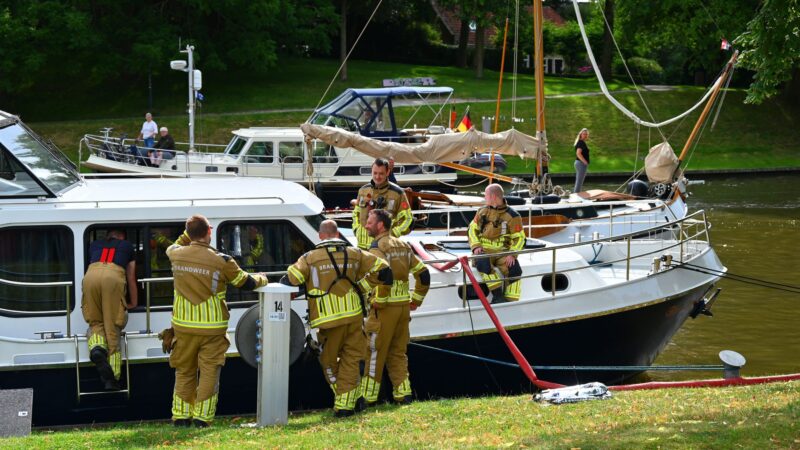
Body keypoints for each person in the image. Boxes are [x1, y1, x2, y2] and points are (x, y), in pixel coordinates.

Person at [281, 220, 392, 418]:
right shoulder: (355, 253)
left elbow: (289, 280)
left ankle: (344, 405)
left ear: (321, 235)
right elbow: (385, 271)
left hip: (327, 319)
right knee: (351, 359)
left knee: (327, 361)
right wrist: (362, 287)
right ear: (338, 233)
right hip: (354, 315)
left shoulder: (309, 258)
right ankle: (350, 401)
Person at [166, 215, 268, 427]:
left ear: (189, 233)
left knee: (184, 371)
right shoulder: (222, 261)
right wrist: (262, 278)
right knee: (209, 372)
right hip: (212, 327)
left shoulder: (176, 254)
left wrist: (190, 231)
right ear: (209, 233)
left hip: (183, 325)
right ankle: (203, 419)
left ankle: (181, 417)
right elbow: (245, 282)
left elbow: (177, 242)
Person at [362, 209, 429, 405]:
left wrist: (378, 299)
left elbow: (383, 275)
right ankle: (403, 395)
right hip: (402, 310)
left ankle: (368, 398)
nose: (366, 225)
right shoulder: (403, 246)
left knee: (374, 353)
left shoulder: (378, 247)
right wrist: (416, 299)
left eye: (370, 222)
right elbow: (424, 275)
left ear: (380, 225)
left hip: (383, 311)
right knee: (398, 354)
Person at [82, 229, 138, 390]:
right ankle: (112, 378)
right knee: (112, 325)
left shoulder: (94, 245)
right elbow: (131, 276)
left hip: (90, 277)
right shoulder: (127, 246)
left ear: (108, 236)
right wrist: (132, 302)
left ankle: (97, 348)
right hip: (112, 277)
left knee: (96, 321)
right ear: (122, 236)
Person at [467, 183, 526, 303]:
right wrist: (476, 246)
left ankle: (512, 300)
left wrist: (512, 253)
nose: (484, 197)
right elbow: (472, 229)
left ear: (493, 197)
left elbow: (520, 238)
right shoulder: (482, 212)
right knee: (483, 264)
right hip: (484, 251)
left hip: (503, 253)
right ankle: (497, 296)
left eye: (486, 195)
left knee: (515, 269)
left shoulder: (513, 216)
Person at [352, 158, 413, 250]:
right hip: (362, 247)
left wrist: (393, 234)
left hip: (384, 247)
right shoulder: (363, 190)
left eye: (381, 173)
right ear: (371, 171)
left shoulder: (397, 193)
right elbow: (356, 213)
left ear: (388, 172)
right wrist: (356, 230)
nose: (377, 177)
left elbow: (408, 219)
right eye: (375, 173)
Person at [573, 128, 590, 193]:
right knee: (579, 182)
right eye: (584, 134)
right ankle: (576, 195)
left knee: (579, 181)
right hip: (581, 164)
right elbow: (578, 153)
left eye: (586, 134)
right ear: (580, 134)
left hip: (579, 163)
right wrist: (585, 162)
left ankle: (577, 194)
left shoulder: (581, 142)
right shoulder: (581, 142)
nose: (585, 135)